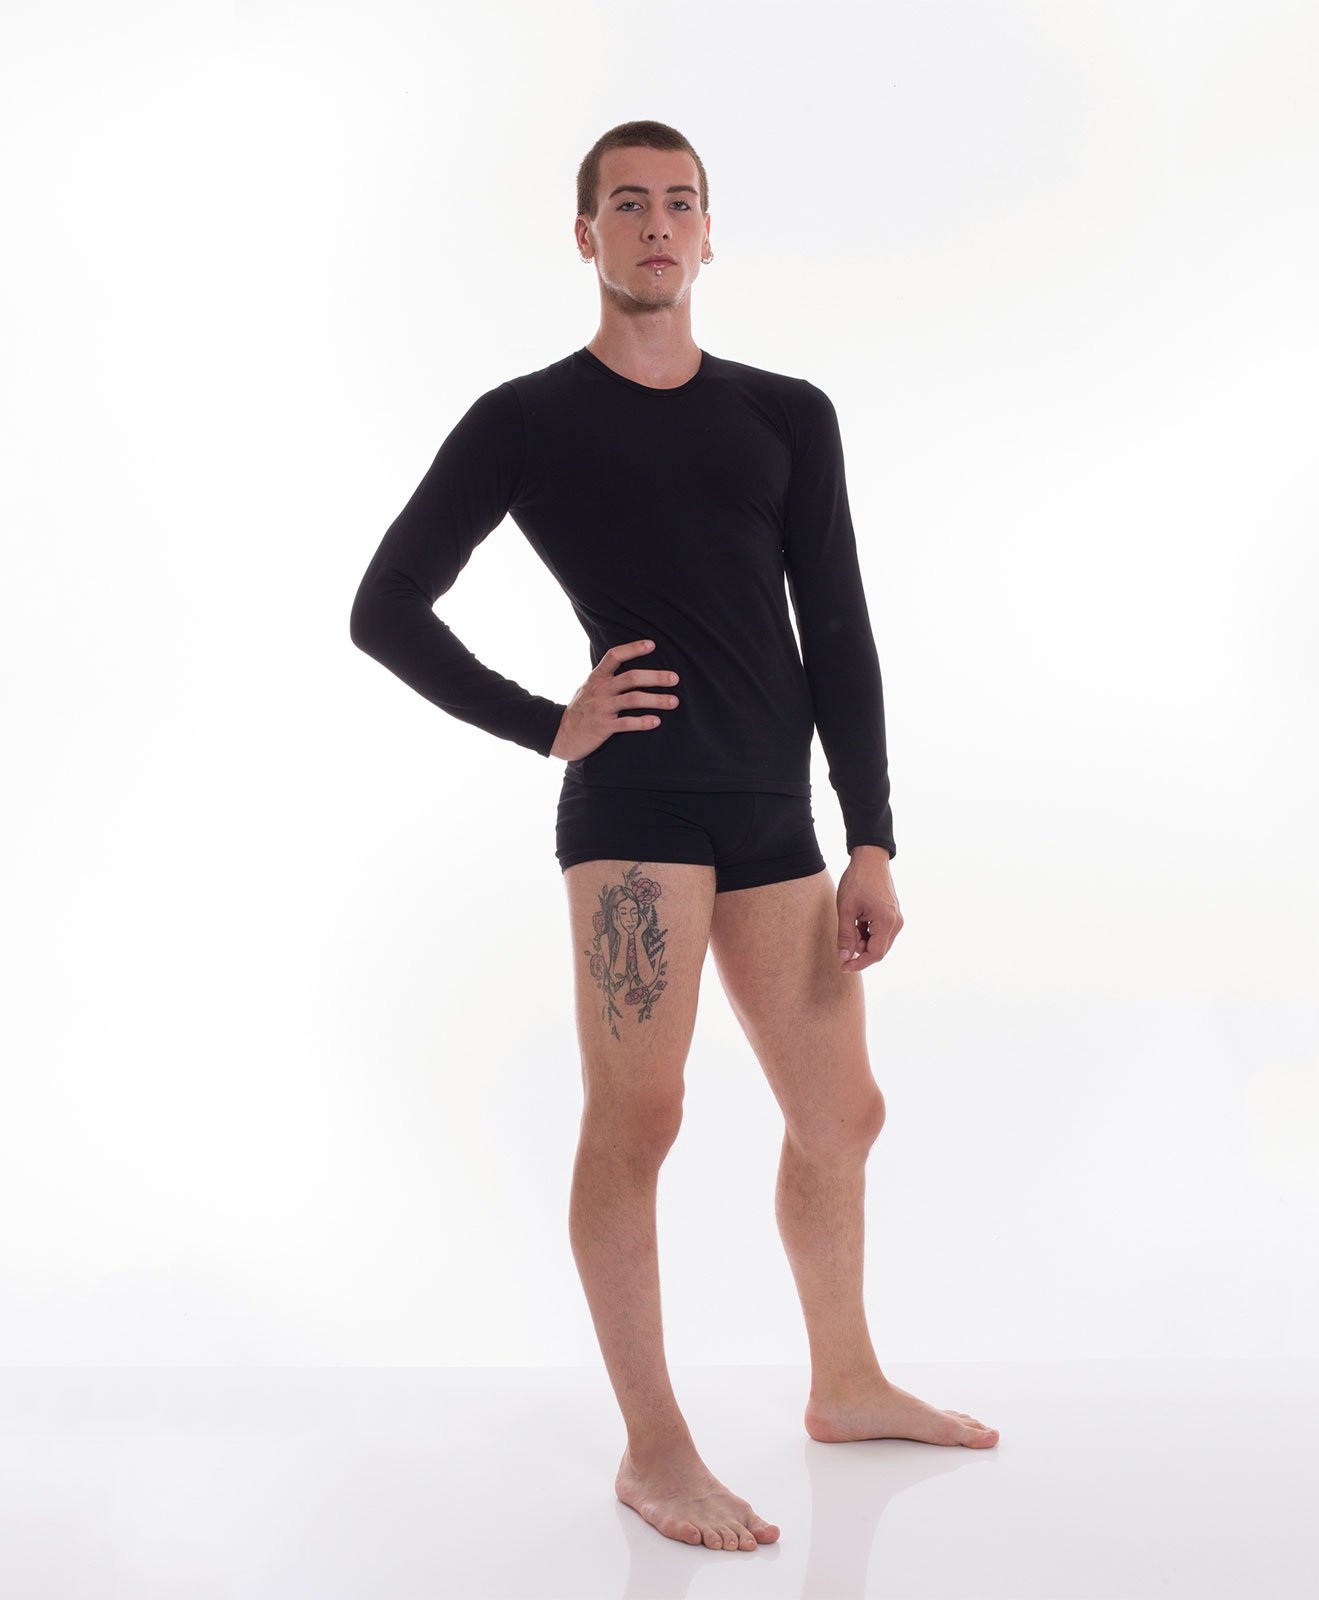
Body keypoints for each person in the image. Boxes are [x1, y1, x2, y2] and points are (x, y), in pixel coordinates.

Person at [349, 119, 999, 1556]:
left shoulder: (787, 413)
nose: (657, 225)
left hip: (775, 815)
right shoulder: (527, 419)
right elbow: (385, 607)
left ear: (710, 232)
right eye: (629, 204)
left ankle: (845, 1382)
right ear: (586, 235)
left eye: (680, 203)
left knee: (843, 1114)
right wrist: (546, 723)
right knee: (640, 1119)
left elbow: (839, 629)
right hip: (635, 817)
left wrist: (872, 835)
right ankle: (654, 1449)